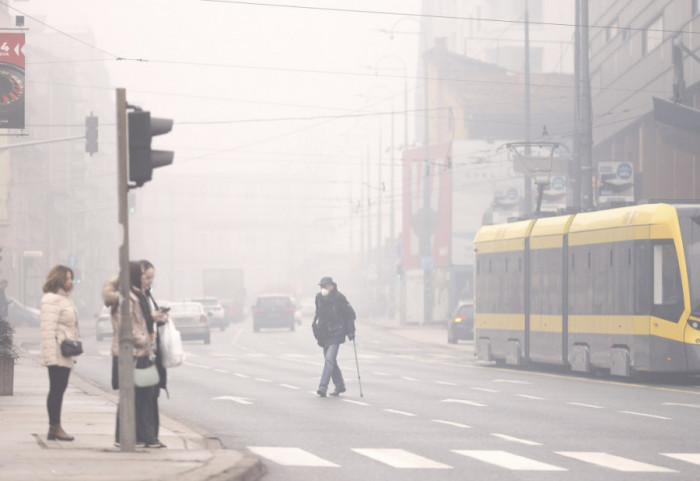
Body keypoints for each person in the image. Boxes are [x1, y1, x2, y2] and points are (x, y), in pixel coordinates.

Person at [103, 262, 165, 448]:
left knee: (140, 395)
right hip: (133, 353)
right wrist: (145, 340)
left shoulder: (135, 296)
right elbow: (127, 328)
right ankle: (130, 436)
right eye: (142, 275)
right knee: (134, 395)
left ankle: (137, 436)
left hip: (139, 352)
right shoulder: (128, 298)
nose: (145, 279)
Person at [39, 265, 79, 441]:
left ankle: (55, 427)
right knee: (56, 390)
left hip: (65, 351)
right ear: (59, 279)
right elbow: (47, 330)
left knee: (59, 390)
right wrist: (49, 357)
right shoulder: (52, 299)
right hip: (56, 352)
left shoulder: (64, 299)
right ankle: (54, 427)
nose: (70, 282)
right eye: (67, 279)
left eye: (71, 279)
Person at [312, 276, 356, 397]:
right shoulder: (319, 298)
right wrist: (316, 327)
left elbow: (350, 314)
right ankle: (340, 385)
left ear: (331, 286)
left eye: (325, 286)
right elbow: (318, 313)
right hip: (324, 334)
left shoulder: (339, 298)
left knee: (329, 360)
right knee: (330, 361)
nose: (323, 289)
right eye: (321, 286)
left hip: (336, 333)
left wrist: (351, 331)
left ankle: (322, 387)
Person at [139, 260, 168, 442]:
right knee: (145, 396)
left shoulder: (146, 295)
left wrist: (159, 318)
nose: (150, 281)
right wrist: (152, 317)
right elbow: (137, 323)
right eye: (148, 277)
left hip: (150, 350)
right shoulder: (136, 297)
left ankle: (150, 435)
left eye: (152, 278)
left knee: (151, 394)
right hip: (142, 351)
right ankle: (146, 436)